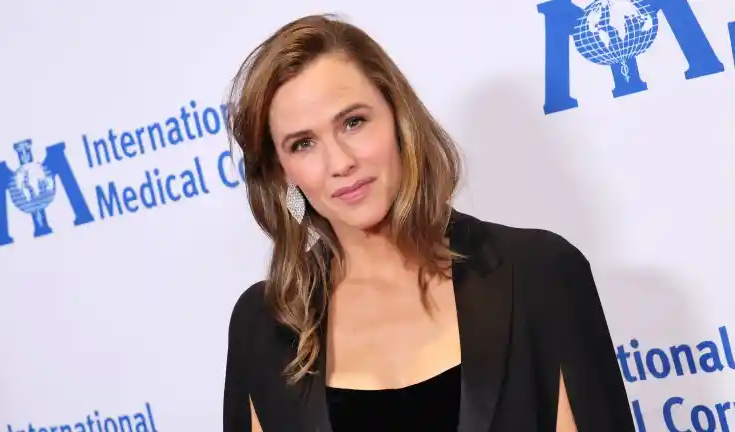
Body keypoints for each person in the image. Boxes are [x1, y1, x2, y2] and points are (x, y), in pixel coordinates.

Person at [222, 13, 634, 432]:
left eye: (353, 122)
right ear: (281, 172)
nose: (340, 162)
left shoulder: (537, 273)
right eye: (303, 144)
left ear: (398, 117)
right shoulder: (264, 324)